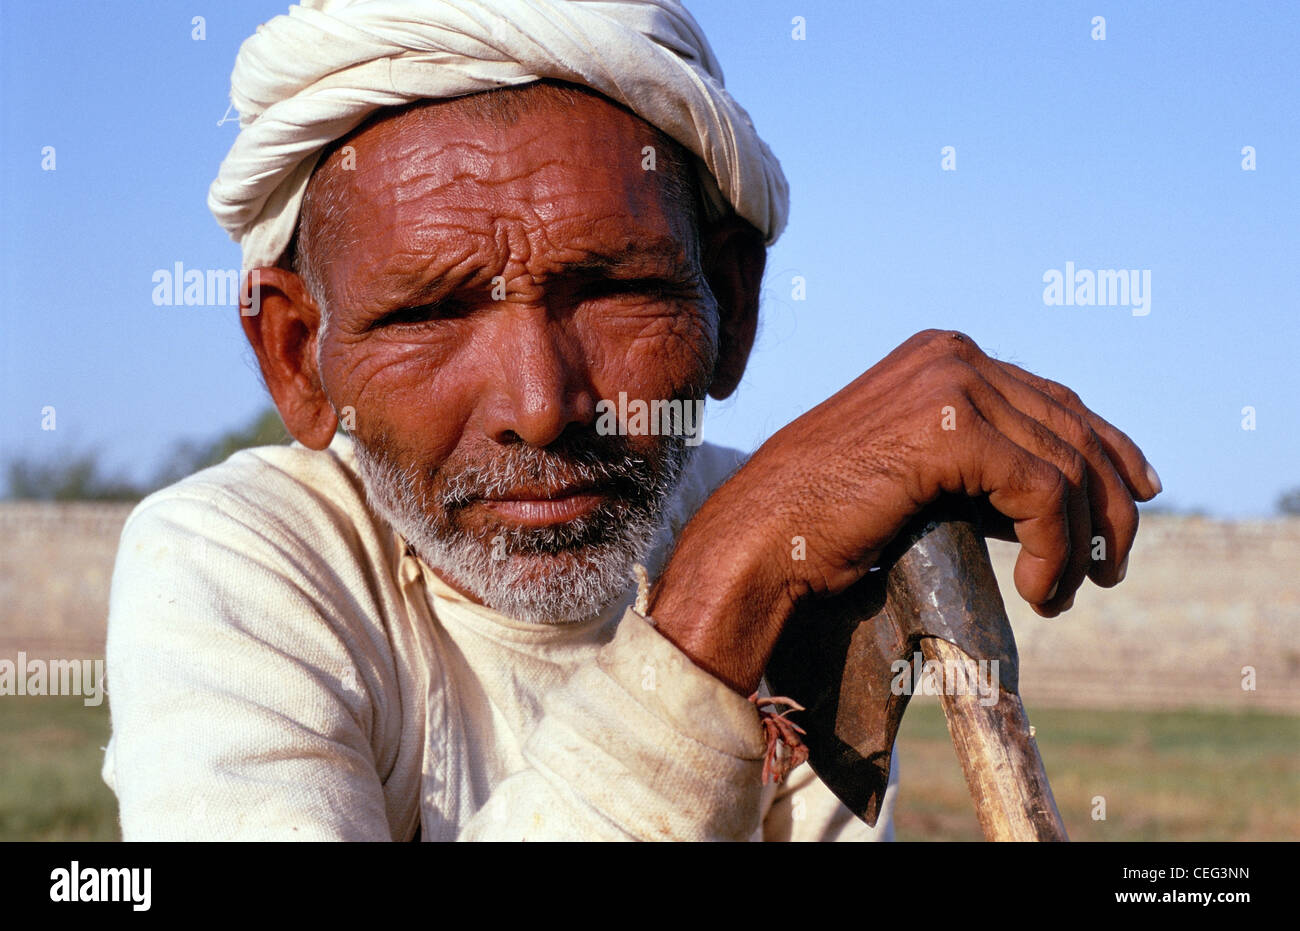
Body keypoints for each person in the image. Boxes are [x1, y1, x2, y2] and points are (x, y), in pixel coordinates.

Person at [102, 0, 1159, 841]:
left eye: (614, 289)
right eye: (429, 311)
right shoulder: (231, 565)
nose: (540, 405)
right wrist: (719, 604)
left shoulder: (806, 559)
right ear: (297, 356)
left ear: (731, 308)